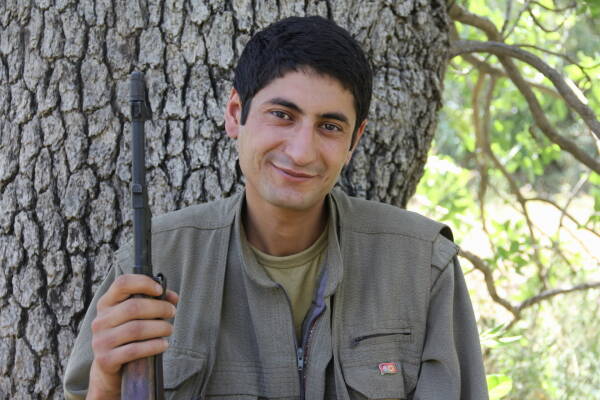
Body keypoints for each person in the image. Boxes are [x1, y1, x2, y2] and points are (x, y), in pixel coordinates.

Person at [64, 16, 488, 400]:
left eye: (329, 126)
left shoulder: (420, 265)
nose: (302, 152)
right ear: (236, 114)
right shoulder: (155, 261)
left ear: (353, 140)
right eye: (282, 115)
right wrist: (105, 381)